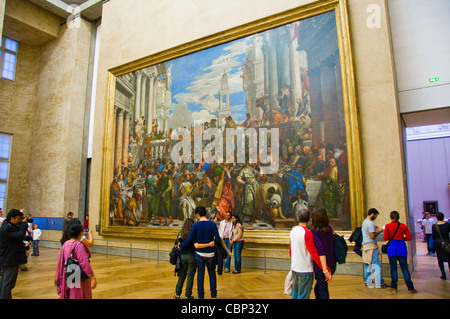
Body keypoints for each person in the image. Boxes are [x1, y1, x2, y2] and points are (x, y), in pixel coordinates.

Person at [179, 206, 221, 299]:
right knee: (212, 274)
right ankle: (213, 295)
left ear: (198, 214)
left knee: (200, 275)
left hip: (199, 254)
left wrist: (181, 245)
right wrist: (211, 242)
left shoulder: (195, 225)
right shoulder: (212, 224)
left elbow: (189, 239)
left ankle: (201, 296)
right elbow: (218, 239)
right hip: (211, 254)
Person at [289, 208, 330, 299]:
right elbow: (314, 253)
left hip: (295, 268)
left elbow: (291, 251)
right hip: (305, 270)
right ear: (309, 219)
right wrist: (325, 269)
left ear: (298, 218)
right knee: (303, 296)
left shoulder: (293, 231)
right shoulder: (307, 233)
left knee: (295, 294)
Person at [54, 223, 97, 299]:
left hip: (69, 272)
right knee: (79, 294)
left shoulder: (66, 243)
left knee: (71, 293)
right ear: (80, 233)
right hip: (78, 274)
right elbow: (84, 263)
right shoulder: (78, 245)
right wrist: (92, 277)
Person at [383, 210, 417, 293]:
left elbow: (385, 238)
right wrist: (401, 238)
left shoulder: (388, 226)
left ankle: (394, 287)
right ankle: (410, 288)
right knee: (405, 269)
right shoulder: (403, 226)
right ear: (398, 217)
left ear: (390, 217)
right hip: (401, 248)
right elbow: (409, 238)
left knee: (393, 268)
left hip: (392, 248)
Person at [0, 209, 30, 299]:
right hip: (10, 260)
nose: (20, 221)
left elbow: (16, 235)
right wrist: (24, 225)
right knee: (8, 285)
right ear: (12, 218)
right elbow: (18, 235)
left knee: (4, 284)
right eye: (19, 219)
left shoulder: (6, 224)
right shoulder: (7, 227)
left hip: (7, 259)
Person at [310, 206, 336, 299]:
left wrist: (325, 270)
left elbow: (321, 250)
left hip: (322, 265)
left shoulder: (314, 231)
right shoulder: (329, 228)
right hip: (332, 264)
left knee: (323, 291)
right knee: (318, 289)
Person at [361, 208, 386, 288]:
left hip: (365, 246)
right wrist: (380, 231)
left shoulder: (364, 222)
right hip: (371, 246)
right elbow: (372, 236)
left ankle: (367, 280)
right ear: (372, 214)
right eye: (375, 215)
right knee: (376, 265)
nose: (375, 217)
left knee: (367, 263)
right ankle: (379, 282)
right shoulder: (370, 224)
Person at [174, 218, 196, 299]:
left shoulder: (180, 233)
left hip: (182, 256)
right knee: (190, 276)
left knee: (182, 276)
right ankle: (188, 295)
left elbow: (176, 244)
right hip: (191, 256)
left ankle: (177, 294)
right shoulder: (192, 233)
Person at [431, 212, 450, 280]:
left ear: (436, 217)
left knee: (440, 259)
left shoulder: (434, 226)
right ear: (443, 217)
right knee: (449, 258)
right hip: (447, 242)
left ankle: (443, 274)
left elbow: (433, 236)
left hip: (438, 243)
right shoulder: (447, 225)